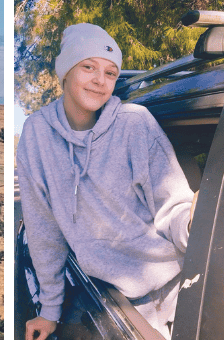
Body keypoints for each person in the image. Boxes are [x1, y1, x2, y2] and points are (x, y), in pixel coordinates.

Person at [17, 23, 198, 340]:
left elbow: (173, 205)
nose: (100, 81)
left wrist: (195, 223)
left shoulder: (135, 123)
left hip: (179, 289)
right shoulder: (38, 134)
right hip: (115, 303)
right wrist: (49, 311)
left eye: (111, 72)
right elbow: (44, 230)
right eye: (89, 67)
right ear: (66, 71)